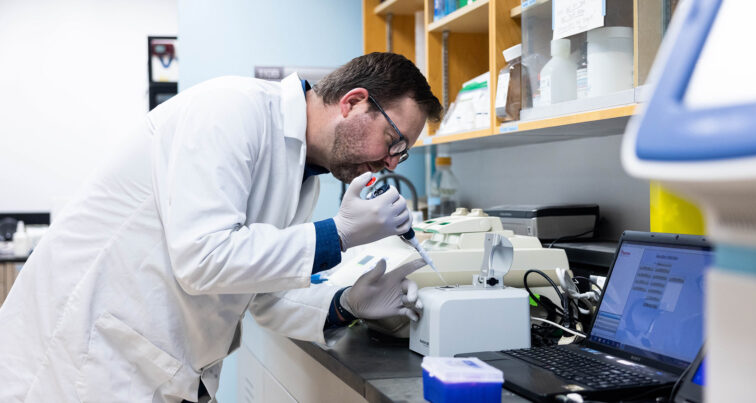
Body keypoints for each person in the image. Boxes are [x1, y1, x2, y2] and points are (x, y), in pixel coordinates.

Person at [0, 52, 442, 402]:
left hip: (150, 366)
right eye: (393, 142)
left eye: (400, 156)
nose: (390, 163)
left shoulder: (300, 173)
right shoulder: (232, 110)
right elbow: (203, 257)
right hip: (88, 360)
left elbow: (261, 293)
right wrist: (338, 234)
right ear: (353, 102)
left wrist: (345, 304)